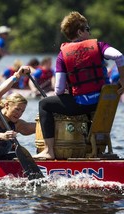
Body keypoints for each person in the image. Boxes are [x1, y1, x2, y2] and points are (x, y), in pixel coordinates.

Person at [33, 11, 124, 159]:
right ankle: (94, 149)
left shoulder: (62, 55)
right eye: (87, 29)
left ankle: (49, 151)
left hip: (81, 105)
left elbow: (59, 89)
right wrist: (123, 82)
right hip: (103, 103)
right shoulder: (99, 46)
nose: (89, 32)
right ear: (80, 32)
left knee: (44, 104)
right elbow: (119, 56)